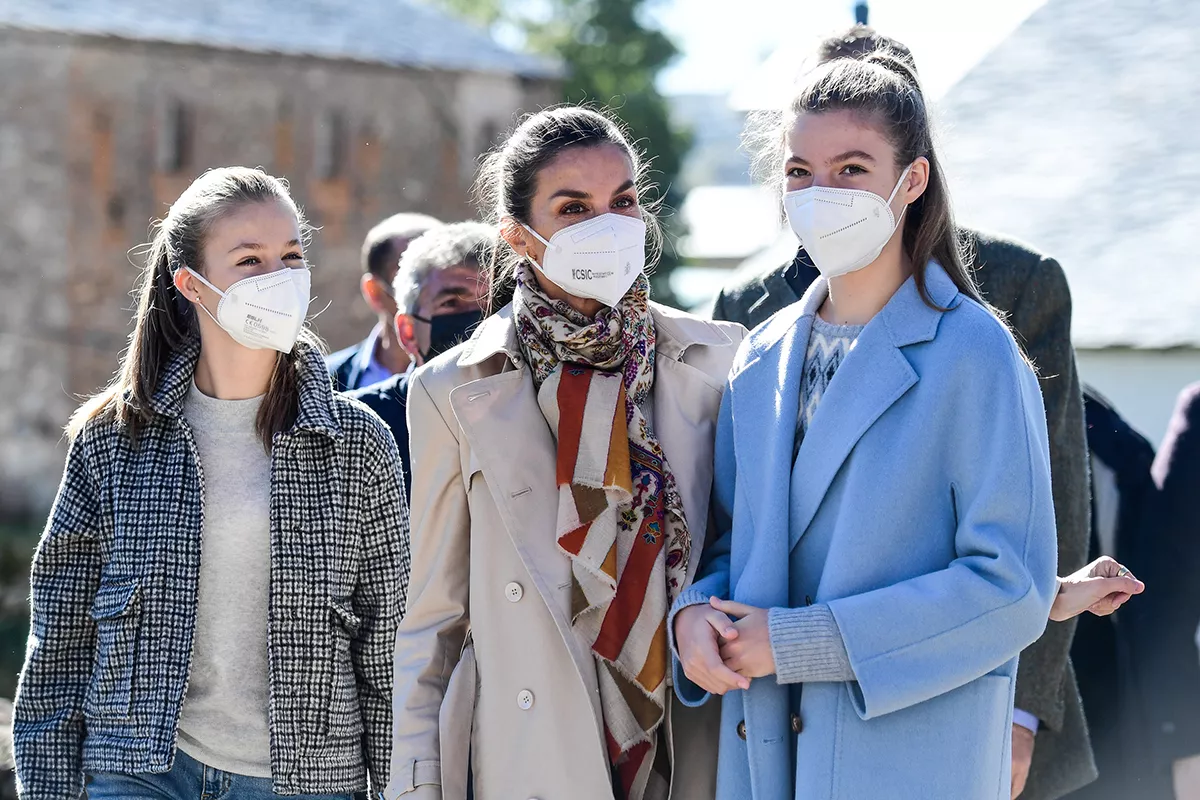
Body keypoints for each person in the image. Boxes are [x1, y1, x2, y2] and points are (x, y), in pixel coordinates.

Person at [712, 25, 1093, 800]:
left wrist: (799, 644)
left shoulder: (976, 351)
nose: (823, 194)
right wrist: (693, 616)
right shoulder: (757, 354)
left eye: (853, 169)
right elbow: (726, 541)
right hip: (762, 760)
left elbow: (1012, 584)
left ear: (912, 178)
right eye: (800, 171)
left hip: (911, 758)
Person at [13, 167, 409, 800]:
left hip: (304, 780)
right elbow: (60, 636)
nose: (278, 277)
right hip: (139, 768)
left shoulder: (356, 442)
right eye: (249, 260)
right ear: (191, 284)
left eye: (290, 255)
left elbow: (387, 643)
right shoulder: (115, 439)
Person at [387, 107, 745, 800]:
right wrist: (413, 787)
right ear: (518, 235)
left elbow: (749, 551)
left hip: (696, 728)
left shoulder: (720, 358)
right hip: (535, 755)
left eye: (623, 202)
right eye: (574, 207)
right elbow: (433, 621)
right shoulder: (449, 389)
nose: (606, 226)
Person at [348, 222, 492, 494]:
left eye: (494, 303)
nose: (480, 323)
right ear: (408, 332)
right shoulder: (360, 429)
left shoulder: (544, 408)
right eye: (451, 304)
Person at [327, 212, 441, 392]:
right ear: (375, 292)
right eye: (415, 277)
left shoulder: (481, 372)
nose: (435, 291)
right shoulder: (326, 383)